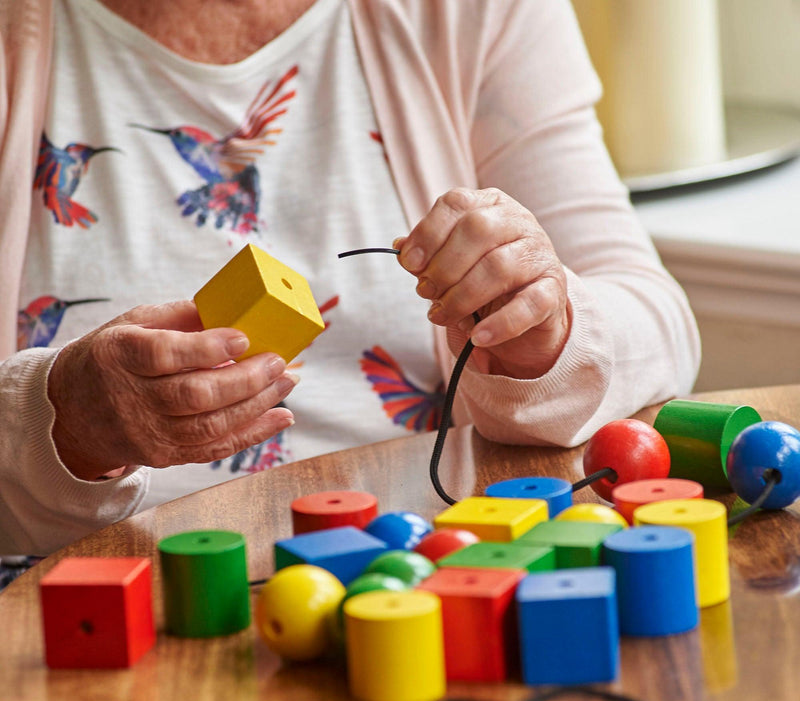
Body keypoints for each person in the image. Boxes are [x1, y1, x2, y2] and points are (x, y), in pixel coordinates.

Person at [0, 0, 701, 556]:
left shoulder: (471, 10)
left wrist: (547, 329)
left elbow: (659, 321)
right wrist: (61, 417)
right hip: (75, 645)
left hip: (431, 574)